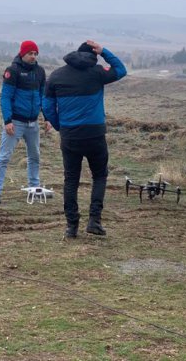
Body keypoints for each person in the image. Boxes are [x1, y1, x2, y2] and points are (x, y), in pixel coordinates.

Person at [42, 40, 127, 237]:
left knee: (71, 179)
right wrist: (105, 51)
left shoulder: (56, 75)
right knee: (99, 176)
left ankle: (72, 227)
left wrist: (59, 127)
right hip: (95, 134)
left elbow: (46, 107)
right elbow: (121, 70)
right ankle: (94, 221)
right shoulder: (97, 72)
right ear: (93, 55)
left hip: (70, 135)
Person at [0, 40, 48, 204]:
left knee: (35, 156)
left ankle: (34, 188)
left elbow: (43, 96)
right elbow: (6, 97)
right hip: (15, 122)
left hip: (33, 123)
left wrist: (48, 117)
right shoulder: (12, 71)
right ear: (23, 54)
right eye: (30, 53)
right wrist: (8, 121)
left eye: (35, 54)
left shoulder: (40, 72)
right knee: (4, 156)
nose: (33, 56)